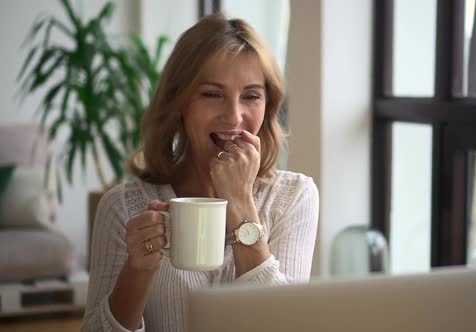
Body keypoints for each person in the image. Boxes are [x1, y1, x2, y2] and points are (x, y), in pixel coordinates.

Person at [81, 13, 319, 332]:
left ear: (269, 104)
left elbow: (286, 325)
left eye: (251, 96)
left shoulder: (293, 197)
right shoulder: (123, 208)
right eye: (212, 94)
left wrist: (240, 202)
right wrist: (137, 272)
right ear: (180, 102)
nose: (234, 116)